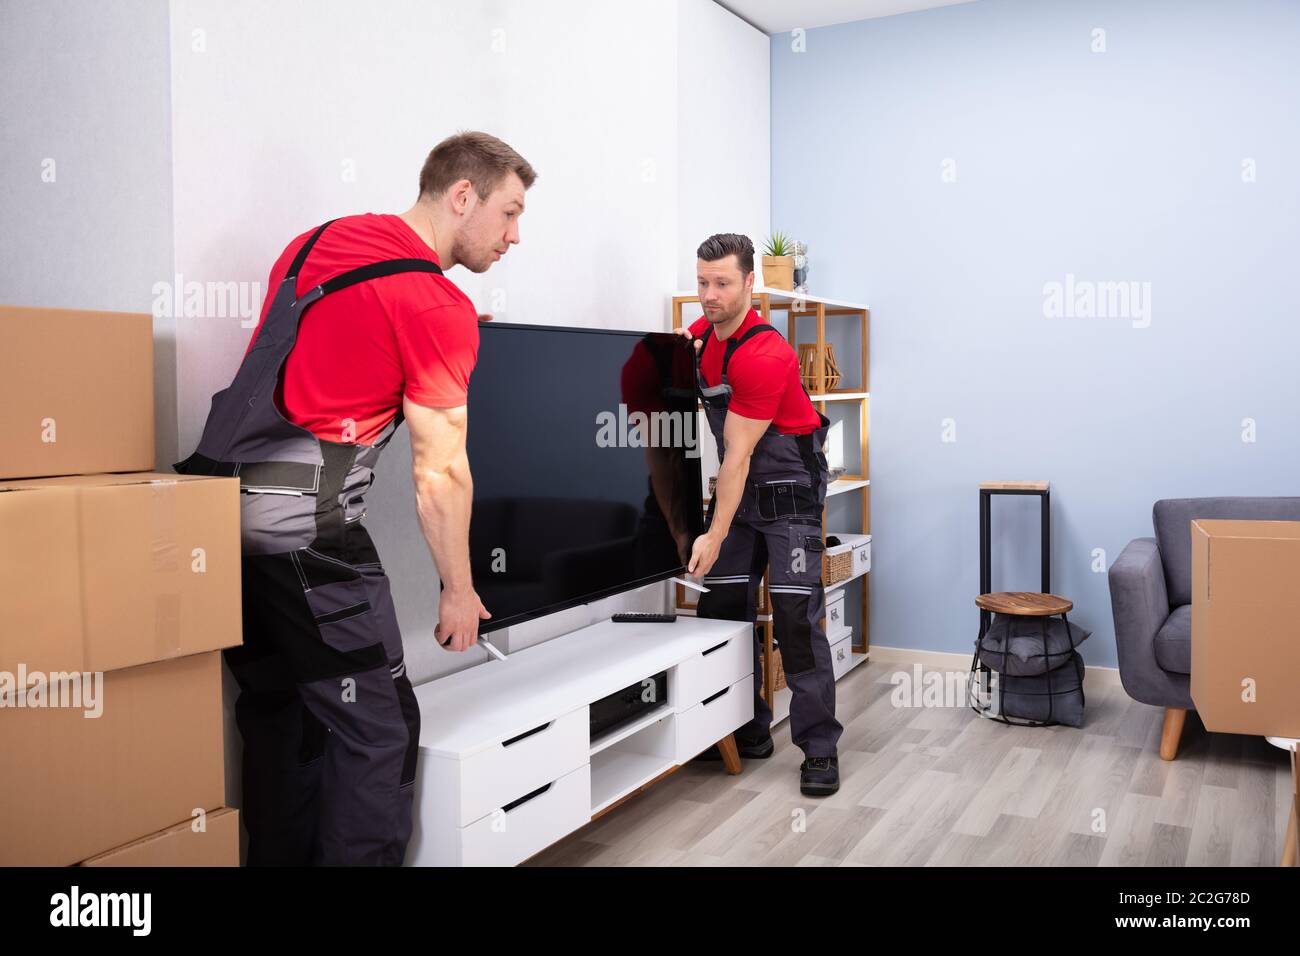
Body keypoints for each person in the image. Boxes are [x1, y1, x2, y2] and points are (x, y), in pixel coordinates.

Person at [173, 131, 537, 864]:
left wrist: (436, 331)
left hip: (210, 518)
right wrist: (459, 590)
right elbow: (441, 475)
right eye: (508, 212)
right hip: (303, 533)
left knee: (286, 716)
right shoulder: (436, 308)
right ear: (462, 196)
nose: (515, 236)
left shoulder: (324, 240)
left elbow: (329, 344)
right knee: (378, 733)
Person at [677, 232, 843, 797]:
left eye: (722, 283)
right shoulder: (705, 333)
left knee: (796, 621)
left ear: (751, 282)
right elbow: (733, 465)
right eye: (702, 282)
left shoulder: (767, 354)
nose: (709, 295)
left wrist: (713, 531)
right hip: (739, 490)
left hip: (788, 493)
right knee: (724, 613)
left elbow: (739, 454)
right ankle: (745, 729)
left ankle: (819, 749)